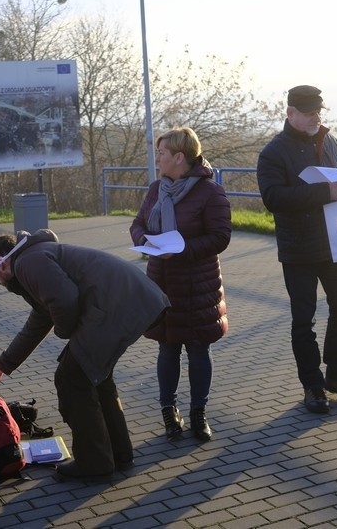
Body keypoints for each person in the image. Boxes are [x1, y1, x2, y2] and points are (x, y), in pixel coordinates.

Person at [0, 229, 170, 483]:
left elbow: (65, 301)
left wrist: (66, 332)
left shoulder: (27, 262)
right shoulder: (34, 258)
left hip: (118, 306)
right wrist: (2, 366)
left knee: (71, 379)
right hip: (132, 301)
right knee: (96, 377)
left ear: (3, 261)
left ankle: (95, 463)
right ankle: (119, 454)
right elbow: (40, 318)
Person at [256, 85, 337, 414]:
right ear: (290, 114)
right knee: (304, 322)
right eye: (307, 113)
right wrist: (324, 193)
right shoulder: (273, 153)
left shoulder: (330, 140)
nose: (315, 117)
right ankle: (313, 386)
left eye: (318, 111)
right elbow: (273, 199)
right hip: (299, 248)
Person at [129, 127, 232, 442]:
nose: (157, 158)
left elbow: (220, 236)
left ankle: (199, 413)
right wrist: (145, 241)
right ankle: (168, 411)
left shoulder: (210, 192)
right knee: (167, 346)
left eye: (162, 153)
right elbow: (138, 224)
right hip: (162, 280)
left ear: (179, 157)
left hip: (198, 284)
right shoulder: (156, 188)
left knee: (198, 348)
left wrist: (182, 249)